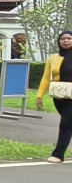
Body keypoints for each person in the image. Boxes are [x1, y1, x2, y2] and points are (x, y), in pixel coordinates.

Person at [36, 30, 72, 162]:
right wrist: (39, 96)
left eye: (69, 38)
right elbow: (46, 78)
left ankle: (58, 154)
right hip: (59, 96)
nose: (66, 41)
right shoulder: (53, 58)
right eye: (63, 39)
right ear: (59, 41)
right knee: (68, 122)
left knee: (66, 123)